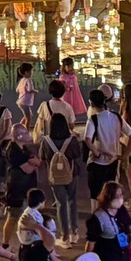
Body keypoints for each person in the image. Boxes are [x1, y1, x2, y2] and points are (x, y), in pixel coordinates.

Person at [37, 94, 83, 247]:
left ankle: (64, 237)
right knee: (72, 201)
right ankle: (74, 232)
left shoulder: (46, 141)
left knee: (61, 204)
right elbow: (77, 155)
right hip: (72, 173)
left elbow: (42, 157)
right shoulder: (72, 140)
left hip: (55, 177)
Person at [84, 87, 125, 201]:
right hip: (113, 159)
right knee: (110, 192)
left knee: (95, 194)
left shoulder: (93, 118)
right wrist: (124, 155)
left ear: (91, 103)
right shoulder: (116, 116)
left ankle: (97, 212)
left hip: (98, 162)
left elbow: (87, 140)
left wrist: (97, 153)